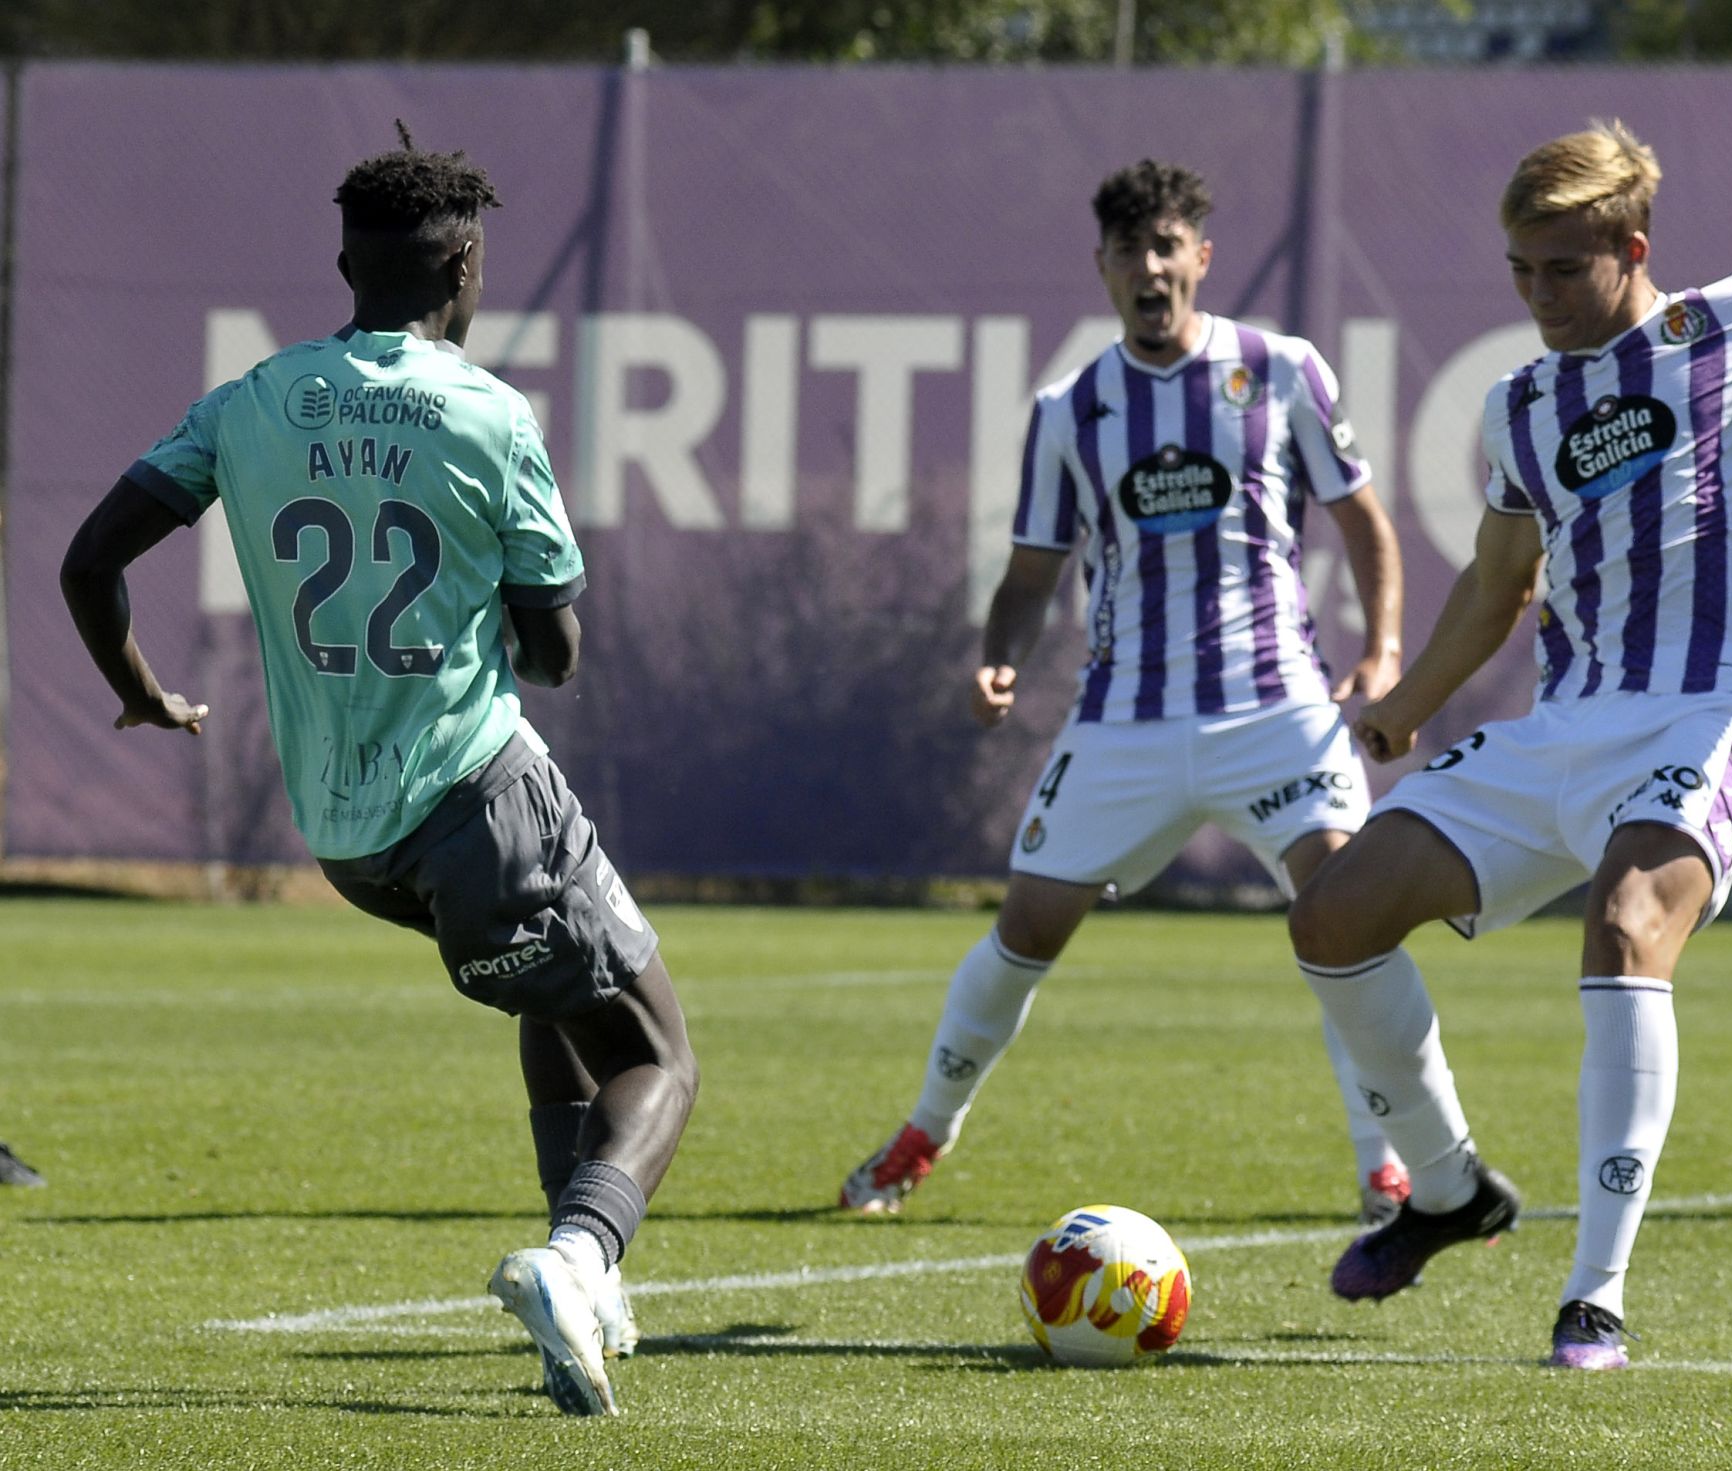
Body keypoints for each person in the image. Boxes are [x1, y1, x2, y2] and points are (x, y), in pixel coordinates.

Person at [58, 126, 699, 1417]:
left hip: (348, 838)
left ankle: (588, 1282)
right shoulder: (488, 411)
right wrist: (508, 615)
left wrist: (139, 691)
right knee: (659, 1057)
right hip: (477, 792)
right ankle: (581, 1256)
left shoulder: (250, 400)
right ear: (464, 267)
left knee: (548, 987)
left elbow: (91, 561)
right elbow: (556, 652)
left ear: (347, 264)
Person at [1288, 119, 1732, 1370]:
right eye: (1520, 271)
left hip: (1719, 707)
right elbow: (1499, 583)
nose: (1537, 296)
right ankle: (1451, 1192)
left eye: (1563, 270)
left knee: (1627, 924)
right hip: (1567, 727)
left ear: (1632, 249)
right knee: (1334, 914)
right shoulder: (1520, 406)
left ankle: (1596, 1296)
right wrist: (1409, 702)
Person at [840, 159, 1411, 1223]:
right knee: (1024, 932)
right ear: (1101, 268)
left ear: (1201, 257)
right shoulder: (1071, 409)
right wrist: (999, 656)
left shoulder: (1281, 370)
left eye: (1166, 246)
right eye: (1128, 251)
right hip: (1122, 723)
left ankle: (1387, 1168)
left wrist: (1381, 653)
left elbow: (1367, 527)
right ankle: (924, 1130)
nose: (1150, 268)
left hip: (1275, 710)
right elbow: (1030, 577)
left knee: (1344, 915)